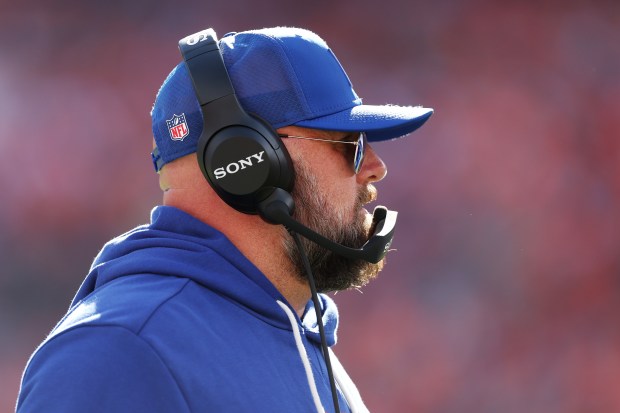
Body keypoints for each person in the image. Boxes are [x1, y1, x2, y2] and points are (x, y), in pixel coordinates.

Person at [16, 27, 432, 413]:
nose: (376, 168)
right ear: (248, 162)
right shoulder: (119, 352)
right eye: (350, 144)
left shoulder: (301, 337)